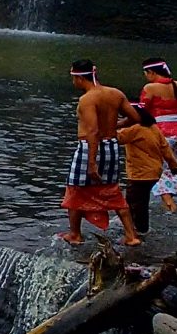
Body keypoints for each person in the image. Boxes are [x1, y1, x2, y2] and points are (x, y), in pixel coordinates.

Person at [61, 60, 142, 246]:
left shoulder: (87, 99)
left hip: (90, 148)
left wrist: (91, 163)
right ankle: (131, 235)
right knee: (112, 189)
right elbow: (135, 117)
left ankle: (75, 234)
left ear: (79, 78)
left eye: (73, 78)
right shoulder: (116, 94)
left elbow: (92, 132)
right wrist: (114, 126)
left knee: (75, 188)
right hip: (112, 146)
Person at [118, 108, 177, 236]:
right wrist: (175, 166)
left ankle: (137, 232)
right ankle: (139, 229)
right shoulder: (154, 128)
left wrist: (107, 125)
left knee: (134, 204)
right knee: (141, 202)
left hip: (139, 174)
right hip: (154, 172)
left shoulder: (135, 129)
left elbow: (117, 137)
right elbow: (166, 150)